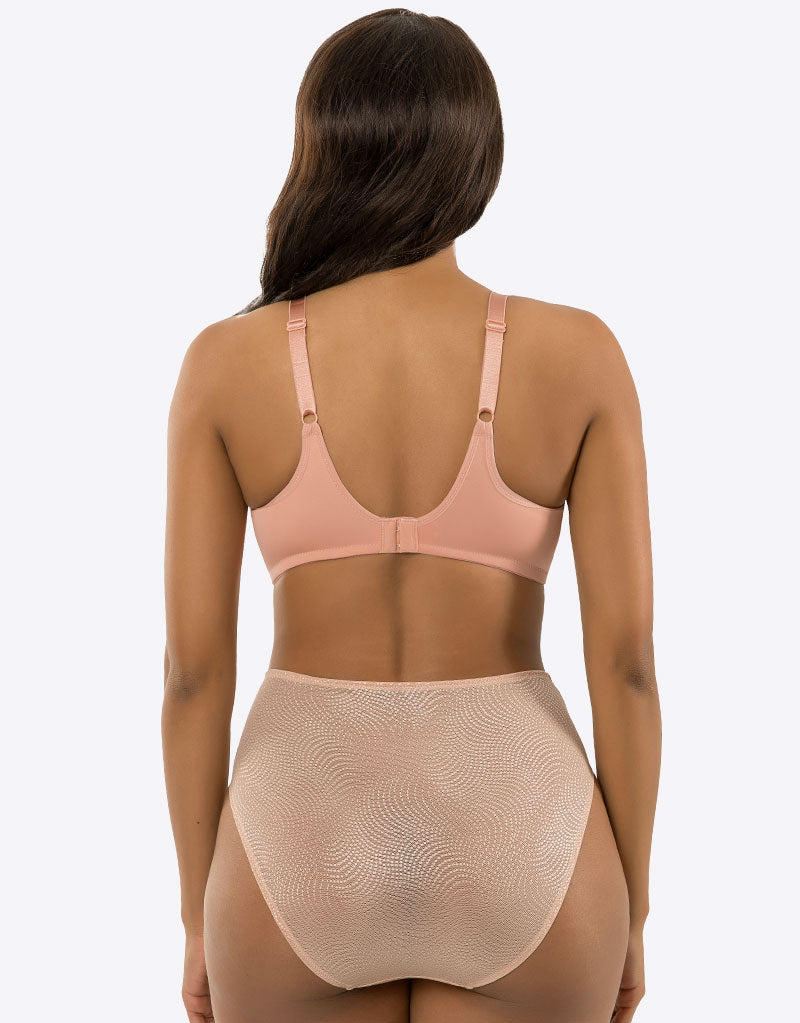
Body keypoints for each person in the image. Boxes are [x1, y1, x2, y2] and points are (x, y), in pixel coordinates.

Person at [162, 10, 661, 1023]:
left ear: (322, 145)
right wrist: (633, 908)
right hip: (522, 831)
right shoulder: (577, 355)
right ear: (479, 155)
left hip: (299, 832)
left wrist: (195, 916)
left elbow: (192, 674)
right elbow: (626, 664)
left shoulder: (228, 364)